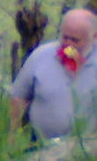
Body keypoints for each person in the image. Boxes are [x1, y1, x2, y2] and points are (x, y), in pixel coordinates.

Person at [11, 8, 97, 140]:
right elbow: (19, 97)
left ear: (94, 37)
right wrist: (13, 135)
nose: (68, 44)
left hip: (87, 149)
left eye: (75, 40)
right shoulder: (40, 55)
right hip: (40, 144)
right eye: (65, 37)